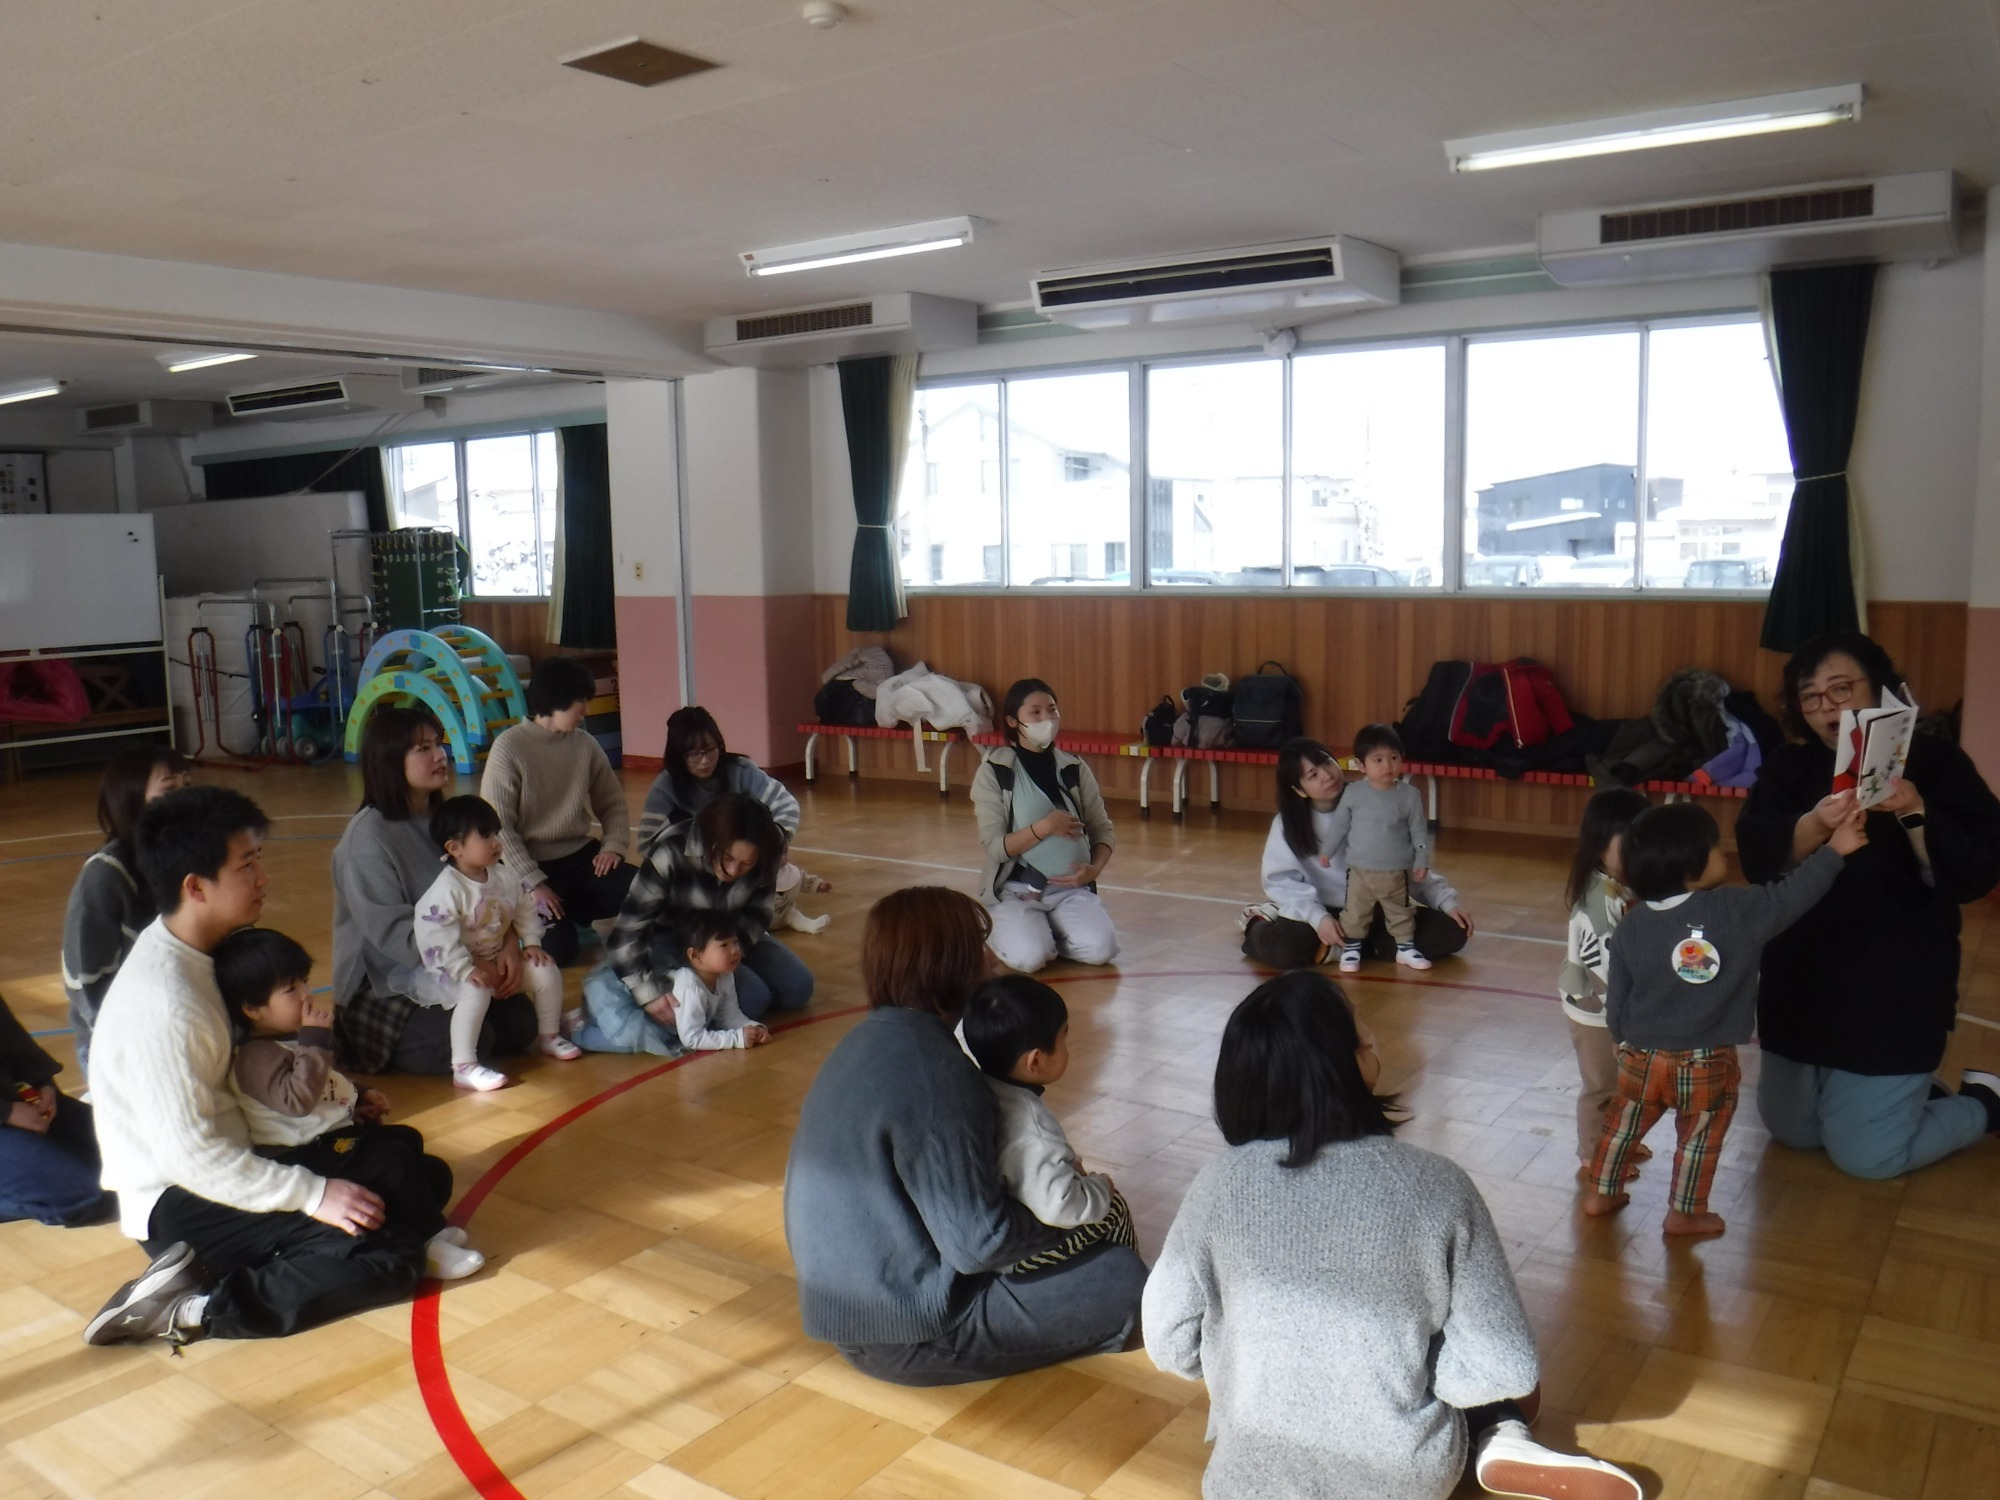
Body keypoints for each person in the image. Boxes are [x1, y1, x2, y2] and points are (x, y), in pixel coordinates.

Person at [1143, 971, 1641, 1500]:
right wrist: (1407, 1371)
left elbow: (1168, 1343)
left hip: (1248, 1482)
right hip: (1404, 1480)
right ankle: (1501, 1434)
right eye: (1361, 1031)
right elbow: (1508, 1366)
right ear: (1348, 1065)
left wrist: (1248, 1363)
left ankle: (1498, 1433)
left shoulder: (1217, 1183)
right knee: (1494, 1374)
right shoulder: (1438, 1184)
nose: (1373, 1036)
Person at [84, 786, 427, 1348]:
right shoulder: (165, 1003)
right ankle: (192, 1308)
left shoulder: (200, 949)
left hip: (240, 1154)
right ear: (196, 887)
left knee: (403, 1164)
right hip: (182, 1197)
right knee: (392, 1257)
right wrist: (312, 1194)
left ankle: (287, 1249)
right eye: (246, 865)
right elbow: (194, 1159)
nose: (263, 878)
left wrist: (343, 1098)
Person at [784, 886, 1147, 1386]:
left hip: (849, 1310)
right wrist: (1066, 1222)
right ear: (945, 965)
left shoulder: (863, 1038)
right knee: (1123, 1280)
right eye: (979, 948)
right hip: (910, 1332)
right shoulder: (940, 1074)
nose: (993, 960)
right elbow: (981, 1245)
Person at [1736, 632, 2000, 1179]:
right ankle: (1908, 1094)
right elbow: (1758, 855)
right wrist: (1815, 823)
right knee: (1792, 1129)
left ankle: (1986, 1103)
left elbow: (1975, 868)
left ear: (1878, 688)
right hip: (1803, 983)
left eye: (1840, 689)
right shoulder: (1789, 765)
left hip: (1892, 989)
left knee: (1867, 1157)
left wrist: (1914, 810)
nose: (1826, 708)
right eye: (1810, 697)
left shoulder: (1937, 761)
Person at [1583, 801, 1863, 1237]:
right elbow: (1791, 896)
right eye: (1715, 847)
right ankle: (1684, 1213)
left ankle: (1601, 1193)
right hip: (1706, 1060)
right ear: (1690, 866)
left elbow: (1618, 995)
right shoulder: (1734, 910)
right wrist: (1834, 851)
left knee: (1622, 1126)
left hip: (1640, 1055)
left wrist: (1622, 1038)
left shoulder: (1633, 921)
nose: (1725, 852)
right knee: (1700, 1137)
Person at [214, 927, 483, 1281]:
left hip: (330, 1140)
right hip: (304, 1154)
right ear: (252, 1009)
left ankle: (403, 1218)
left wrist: (357, 1099)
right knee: (393, 1162)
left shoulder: (292, 1040)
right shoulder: (255, 1057)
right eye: (291, 990)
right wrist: (315, 1040)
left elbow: (323, 1084)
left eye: (304, 982)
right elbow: (296, 1101)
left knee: (409, 1145)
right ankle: (429, 1244)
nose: (306, 995)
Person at [331, 707, 537, 1076]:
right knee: (473, 1040)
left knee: (521, 1025)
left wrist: (508, 942)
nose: (440, 755)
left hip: (460, 957)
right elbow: (395, 935)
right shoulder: (367, 839)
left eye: (438, 744)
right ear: (391, 761)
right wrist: (473, 963)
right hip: (386, 979)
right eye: (423, 748)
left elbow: (493, 885)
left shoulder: (447, 818)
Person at [1241, 738, 1473, 970]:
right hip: (1321, 910)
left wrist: (1445, 902)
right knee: (1283, 948)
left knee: (1452, 931)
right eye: (1313, 775)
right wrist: (1318, 918)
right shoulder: (1287, 824)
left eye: (1327, 763)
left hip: (1375, 905)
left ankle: (1351, 947)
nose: (1327, 775)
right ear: (1299, 790)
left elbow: (1406, 865)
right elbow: (1282, 882)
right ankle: (1260, 920)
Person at [960, 974, 1135, 1271]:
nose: (1069, 1045)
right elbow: (1060, 1207)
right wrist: (1099, 1187)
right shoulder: (1033, 1129)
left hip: (989, 1231)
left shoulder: (980, 1087)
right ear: (1036, 1062)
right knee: (1113, 1209)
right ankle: (1131, 1282)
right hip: (1017, 1257)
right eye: (1063, 1036)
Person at [413, 794, 580, 1091]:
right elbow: (434, 937)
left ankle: (550, 1035)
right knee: (474, 993)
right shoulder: (446, 890)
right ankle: (463, 1066)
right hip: (459, 970)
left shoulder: (504, 876)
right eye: (485, 836)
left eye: (495, 833)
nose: (496, 842)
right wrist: (464, 969)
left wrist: (531, 943)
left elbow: (524, 908)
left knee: (546, 971)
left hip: (499, 960)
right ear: (454, 848)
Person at [478, 656, 634, 967]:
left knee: (645, 890)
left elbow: (613, 803)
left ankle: (573, 913)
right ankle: (528, 920)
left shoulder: (585, 744)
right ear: (556, 701)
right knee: (559, 953)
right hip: (528, 865)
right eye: (581, 701)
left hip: (578, 858)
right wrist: (533, 883)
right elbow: (499, 827)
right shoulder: (509, 747)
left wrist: (613, 847)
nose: (586, 710)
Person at [605, 792, 813, 1021]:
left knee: (799, 988)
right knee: (753, 999)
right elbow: (626, 931)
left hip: (730, 935)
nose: (733, 871)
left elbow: (757, 916)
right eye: (728, 858)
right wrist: (648, 993)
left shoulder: (768, 849)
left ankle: (710, 999)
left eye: (746, 864)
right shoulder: (671, 850)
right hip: (671, 937)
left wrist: (729, 953)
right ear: (710, 841)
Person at [60, 745, 193, 1076]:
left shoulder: (191, 859)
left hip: (182, 1023)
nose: (187, 799)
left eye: (188, 786)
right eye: (169, 790)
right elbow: (85, 981)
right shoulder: (106, 876)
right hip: (122, 1042)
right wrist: (131, 1042)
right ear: (132, 801)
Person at [970, 678, 1118, 973]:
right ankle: (1006, 928)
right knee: (1030, 958)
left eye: (1052, 710)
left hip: (1069, 888)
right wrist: (1045, 827)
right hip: (1016, 890)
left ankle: (1048, 930)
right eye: (1035, 712)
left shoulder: (1074, 767)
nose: (1047, 719)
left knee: (1102, 950)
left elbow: (1102, 830)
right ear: (1013, 721)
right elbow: (996, 848)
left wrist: (1094, 869)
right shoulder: (995, 772)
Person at [1559, 786, 1654, 1176]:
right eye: (1628, 844)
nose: (1638, 852)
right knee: (1601, 1084)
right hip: (1596, 1009)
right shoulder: (1601, 902)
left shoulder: (1623, 885)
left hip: (1616, 1006)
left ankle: (1618, 1140)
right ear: (1599, 846)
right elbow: (1606, 970)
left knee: (1625, 1082)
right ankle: (1595, 1154)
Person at [1322, 723, 1433, 972]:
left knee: (1400, 910)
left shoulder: (1410, 795)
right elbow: (1339, 825)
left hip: (1395, 871)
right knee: (1355, 911)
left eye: (1394, 758)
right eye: (1378, 760)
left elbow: (1419, 831)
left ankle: (1405, 948)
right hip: (1360, 870)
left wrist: (1422, 860)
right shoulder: (1353, 793)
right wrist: (1327, 851)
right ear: (1361, 765)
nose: (1387, 766)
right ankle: (1351, 948)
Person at [0, 989, 112, 1227]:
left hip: (16, 1100)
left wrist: (43, 1084)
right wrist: (7, 1112)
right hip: (8, 1113)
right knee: (84, 1192)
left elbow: (10, 1037)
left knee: (134, 1156)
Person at [635, 705, 802, 851]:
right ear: (678, 754)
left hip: (743, 861)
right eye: (694, 754)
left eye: (710, 749)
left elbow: (786, 805)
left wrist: (777, 841)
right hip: (690, 866)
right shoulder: (666, 785)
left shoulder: (741, 771)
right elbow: (647, 843)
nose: (705, 761)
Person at [664, 912, 771, 1052]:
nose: (734, 951)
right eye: (724, 945)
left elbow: (728, 1015)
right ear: (695, 955)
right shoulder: (689, 986)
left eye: (735, 942)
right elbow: (691, 1038)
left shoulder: (725, 975)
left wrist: (753, 1028)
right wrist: (736, 1038)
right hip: (667, 1033)